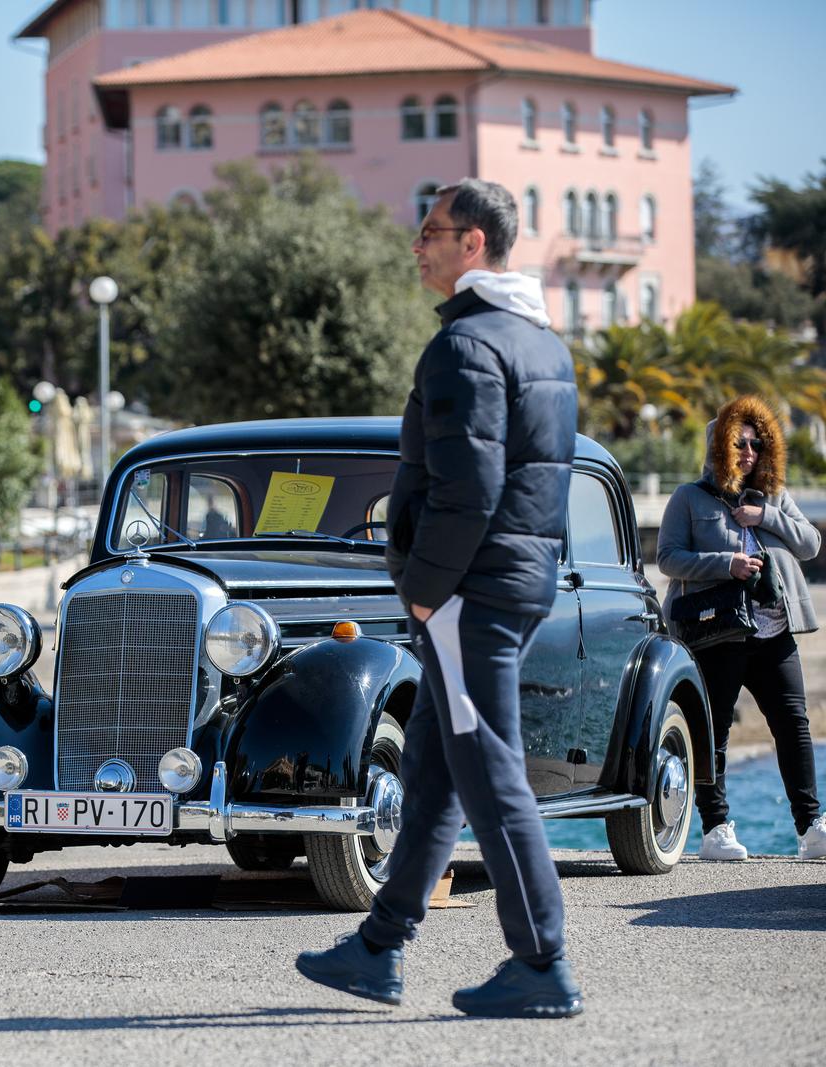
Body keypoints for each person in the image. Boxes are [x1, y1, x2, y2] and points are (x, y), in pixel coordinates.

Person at [295, 179, 584, 1017]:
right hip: (508, 585)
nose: (416, 246)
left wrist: (423, 593)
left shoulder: (463, 348)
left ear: (475, 244)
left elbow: (470, 488)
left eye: (431, 231)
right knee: (432, 771)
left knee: (490, 770)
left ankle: (543, 961)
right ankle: (378, 948)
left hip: (468, 595)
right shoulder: (542, 343)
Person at [658, 396, 825, 861]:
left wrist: (765, 516)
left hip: (774, 633)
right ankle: (715, 831)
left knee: (794, 726)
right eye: (738, 443)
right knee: (716, 731)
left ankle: (811, 828)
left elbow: (811, 544)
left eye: (756, 443)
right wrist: (724, 564)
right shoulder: (689, 498)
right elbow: (667, 557)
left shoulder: (772, 495)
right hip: (719, 633)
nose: (748, 452)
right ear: (718, 446)